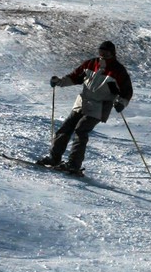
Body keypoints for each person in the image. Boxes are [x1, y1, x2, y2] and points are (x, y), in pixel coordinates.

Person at [38, 41, 134, 177]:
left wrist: (121, 103)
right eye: (101, 50)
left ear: (112, 53)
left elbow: (126, 91)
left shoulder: (118, 70)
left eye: (106, 51)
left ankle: (73, 165)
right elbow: (74, 77)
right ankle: (54, 158)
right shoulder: (90, 64)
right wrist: (59, 82)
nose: (103, 53)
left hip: (99, 107)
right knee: (65, 129)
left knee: (80, 130)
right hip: (81, 103)